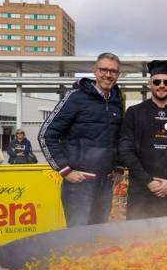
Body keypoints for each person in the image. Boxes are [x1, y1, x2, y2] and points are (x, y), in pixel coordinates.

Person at [38, 52, 124, 227]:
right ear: (94, 71)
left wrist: (119, 167)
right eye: (104, 70)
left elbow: (118, 137)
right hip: (79, 184)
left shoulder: (116, 100)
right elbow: (46, 135)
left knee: (99, 236)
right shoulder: (75, 97)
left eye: (113, 71)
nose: (108, 75)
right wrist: (65, 170)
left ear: (118, 74)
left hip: (105, 183)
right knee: (77, 238)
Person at [118, 60, 167, 220]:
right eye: (157, 81)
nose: (162, 85)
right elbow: (125, 150)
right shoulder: (134, 113)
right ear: (150, 84)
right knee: (138, 241)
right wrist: (148, 181)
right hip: (141, 190)